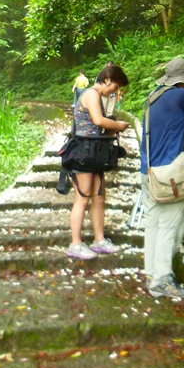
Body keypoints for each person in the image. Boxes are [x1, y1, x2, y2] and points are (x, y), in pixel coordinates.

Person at [140, 57, 184, 299]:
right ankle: (161, 281)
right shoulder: (180, 96)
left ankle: (151, 273)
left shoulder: (152, 97)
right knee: (172, 226)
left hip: (148, 172)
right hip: (169, 174)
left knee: (153, 224)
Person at [66, 64, 131, 260]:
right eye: (116, 86)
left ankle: (99, 240)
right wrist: (118, 125)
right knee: (82, 199)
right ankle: (75, 244)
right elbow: (98, 121)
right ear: (107, 79)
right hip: (83, 153)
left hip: (94, 152)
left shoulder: (98, 96)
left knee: (99, 198)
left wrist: (112, 131)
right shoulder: (92, 94)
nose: (115, 91)